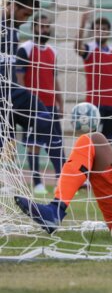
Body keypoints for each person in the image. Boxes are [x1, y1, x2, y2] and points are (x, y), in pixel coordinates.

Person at [0, 0, 63, 159]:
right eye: (26, 14)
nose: (26, 19)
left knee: (46, 121)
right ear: (13, 7)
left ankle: (65, 178)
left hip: (12, 92)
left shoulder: (14, 27)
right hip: (2, 94)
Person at [15, 14, 66, 194]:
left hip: (51, 104)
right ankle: (37, 182)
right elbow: (19, 78)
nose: (44, 30)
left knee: (56, 143)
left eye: (46, 27)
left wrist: (60, 101)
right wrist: (24, 102)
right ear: (33, 28)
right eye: (40, 27)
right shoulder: (25, 49)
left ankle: (62, 182)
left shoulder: (52, 51)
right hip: (34, 105)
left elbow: (54, 77)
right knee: (34, 143)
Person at [74, 11, 112, 140]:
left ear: (108, 32)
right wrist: (82, 24)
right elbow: (77, 47)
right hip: (93, 104)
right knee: (90, 139)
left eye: (103, 29)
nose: (100, 31)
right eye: (97, 29)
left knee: (108, 141)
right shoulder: (89, 48)